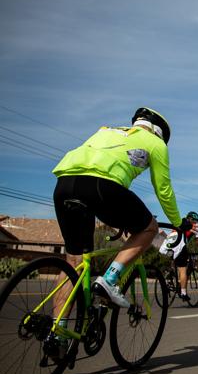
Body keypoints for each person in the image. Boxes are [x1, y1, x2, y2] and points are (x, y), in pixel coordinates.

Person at [52, 107, 188, 311]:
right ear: (160, 132)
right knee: (149, 227)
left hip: (64, 184)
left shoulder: (105, 131)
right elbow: (163, 190)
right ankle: (109, 280)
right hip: (102, 187)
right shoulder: (156, 144)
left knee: (74, 262)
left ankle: (58, 331)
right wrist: (178, 223)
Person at [162, 211, 198, 301]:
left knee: (176, 261)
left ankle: (171, 276)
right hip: (179, 244)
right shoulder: (195, 227)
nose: (195, 223)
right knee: (183, 269)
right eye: (195, 221)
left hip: (167, 244)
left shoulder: (180, 222)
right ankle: (183, 293)